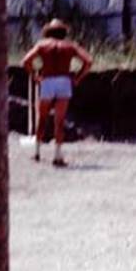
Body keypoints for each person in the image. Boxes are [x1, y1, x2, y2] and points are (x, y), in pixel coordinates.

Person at [21, 19, 93, 166]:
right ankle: (58, 155)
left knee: (42, 118)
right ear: (63, 32)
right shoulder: (70, 46)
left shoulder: (42, 45)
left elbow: (26, 61)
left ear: (48, 32)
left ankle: (37, 152)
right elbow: (88, 61)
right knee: (59, 122)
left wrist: (35, 76)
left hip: (47, 81)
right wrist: (78, 78)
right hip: (64, 81)